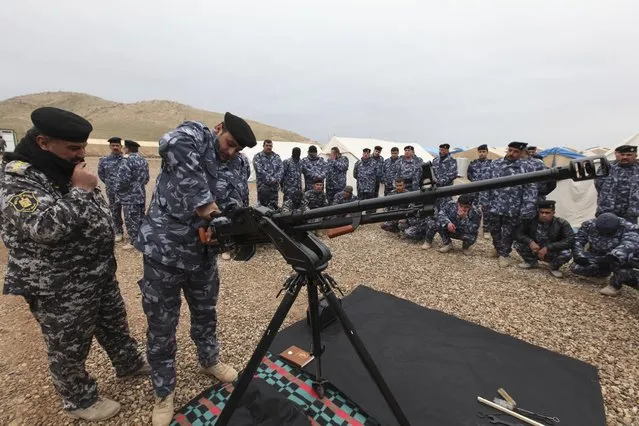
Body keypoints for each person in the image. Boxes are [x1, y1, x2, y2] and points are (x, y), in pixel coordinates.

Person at [0, 107, 147, 421]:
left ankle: (128, 363)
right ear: (43, 141)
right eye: (74, 148)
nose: (81, 153)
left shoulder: (61, 166)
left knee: (114, 325)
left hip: (95, 273)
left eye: (82, 146)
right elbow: (45, 228)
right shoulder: (18, 178)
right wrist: (81, 190)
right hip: (57, 283)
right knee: (69, 345)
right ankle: (79, 399)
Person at [134, 112, 256, 425]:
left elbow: (234, 203)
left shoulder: (238, 164)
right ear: (218, 129)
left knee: (205, 312)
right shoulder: (193, 137)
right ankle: (163, 390)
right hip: (165, 250)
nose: (230, 152)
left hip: (203, 253)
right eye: (229, 143)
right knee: (162, 324)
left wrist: (240, 229)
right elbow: (170, 141)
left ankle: (209, 360)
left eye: (238, 149)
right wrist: (206, 206)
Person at [488, 141, 538, 267]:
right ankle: (498, 247)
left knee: (508, 232)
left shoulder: (527, 168)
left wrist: (527, 207)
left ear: (521, 153)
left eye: (515, 152)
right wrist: (484, 201)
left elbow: (531, 189)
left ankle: (504, 254)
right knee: (494, 229)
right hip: (495, 204)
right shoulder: (495, 164)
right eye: (510, 150)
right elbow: (486, 183)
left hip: (514, 206)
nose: (512, 153)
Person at [571, 213, 639, 296]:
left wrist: (611, 257)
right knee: (576, 267)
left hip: (618, 258)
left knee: (623, 270)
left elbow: (629, 245)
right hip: (599, 255)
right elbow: (578, 239)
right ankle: (601, 274)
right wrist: (578, 254)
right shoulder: (589, 224)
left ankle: (615, 285)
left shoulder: (629, 228)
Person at [514, 200, 574, 278]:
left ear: (553, 213)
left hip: (551, 252)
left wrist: (548, 248)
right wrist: (530, 242)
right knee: (517, 244)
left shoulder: (562, 223)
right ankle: (531, 262)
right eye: (541, 212)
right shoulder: (530, 221)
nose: (544, 215)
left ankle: (553, 267)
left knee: (567, 253)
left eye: (547, 213)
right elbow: (517, 233)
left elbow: (570, 240)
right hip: (534, 249)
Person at [115, 139, 150, 249]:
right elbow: (146, 179)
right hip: (140, 193)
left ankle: (134, 242)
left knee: (131, 219)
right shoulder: (143, 160)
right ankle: (142, 238)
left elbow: (122, 180)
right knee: (140, 217)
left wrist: (118, 190)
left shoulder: (127, 161)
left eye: (124, 148)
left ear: (127, 149)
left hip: (129, 195)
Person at [595, 145, 638, 224]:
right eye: (622, 155)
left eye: (629, 155)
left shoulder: (637, 170)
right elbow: (598, 186)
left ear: (635, 155)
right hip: (607, 210)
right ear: (617, 155)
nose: (625, 157)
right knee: (606, 233)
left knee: (630, 234)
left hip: (630, 212)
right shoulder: (606, 168)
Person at [98, 137, 125, 241]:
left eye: (117, 145)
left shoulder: (126, 160)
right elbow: (101, 174)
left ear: (121, 146)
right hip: (112, 191)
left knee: (129, 212)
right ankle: (118, 232)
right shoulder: (104, 160)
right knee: (115, 211)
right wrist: (110, 184)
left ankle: (133, 233)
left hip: (125, 191)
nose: (115, 147)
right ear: (110, 147)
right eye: (113, 145)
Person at [466, 144, 493, 239]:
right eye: (480, 152)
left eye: (483, 152)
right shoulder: (473, 163)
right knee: (473, 209)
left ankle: (486, 230)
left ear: (487, 152)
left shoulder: (491, 164)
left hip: (486, 190)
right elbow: (469, 175)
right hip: (475, 189)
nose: (481, 154)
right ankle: (473, 227)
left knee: (486, 210)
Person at [252, 139, 283, 209]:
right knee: (262, 209)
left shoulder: (276, 157)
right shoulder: (258, 157)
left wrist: (277, 179)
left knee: (274, 208)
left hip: (274, 189)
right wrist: (271, 179)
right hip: (263, 189)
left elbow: (281, 169)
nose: (269, 147)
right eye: (267, 145)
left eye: (270, 146)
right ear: (263, 146)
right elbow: (259, 170)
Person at [353, 148, 378, 212]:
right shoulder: (358, 163)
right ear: (362, 154)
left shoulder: (374, 163)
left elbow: (377, 174)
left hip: (370, 188)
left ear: (370, 154)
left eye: (367, 153)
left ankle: (370, 218)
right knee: (359, 204)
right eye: (364, 153)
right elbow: (355, 175)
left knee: (370, 204)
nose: (366, 154)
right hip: (361, 188)